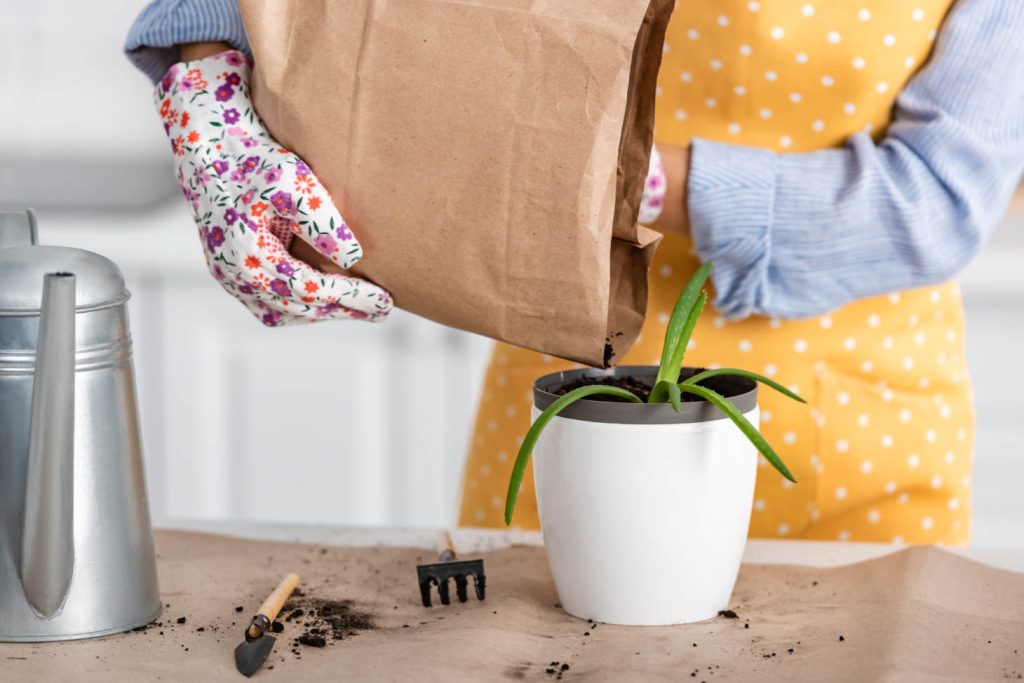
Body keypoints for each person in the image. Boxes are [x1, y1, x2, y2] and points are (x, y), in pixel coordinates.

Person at [127, 1, 1024, 545]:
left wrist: (625, 177)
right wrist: (207, 86)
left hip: (858, 447)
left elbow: (938, 200)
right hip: (568, 395)